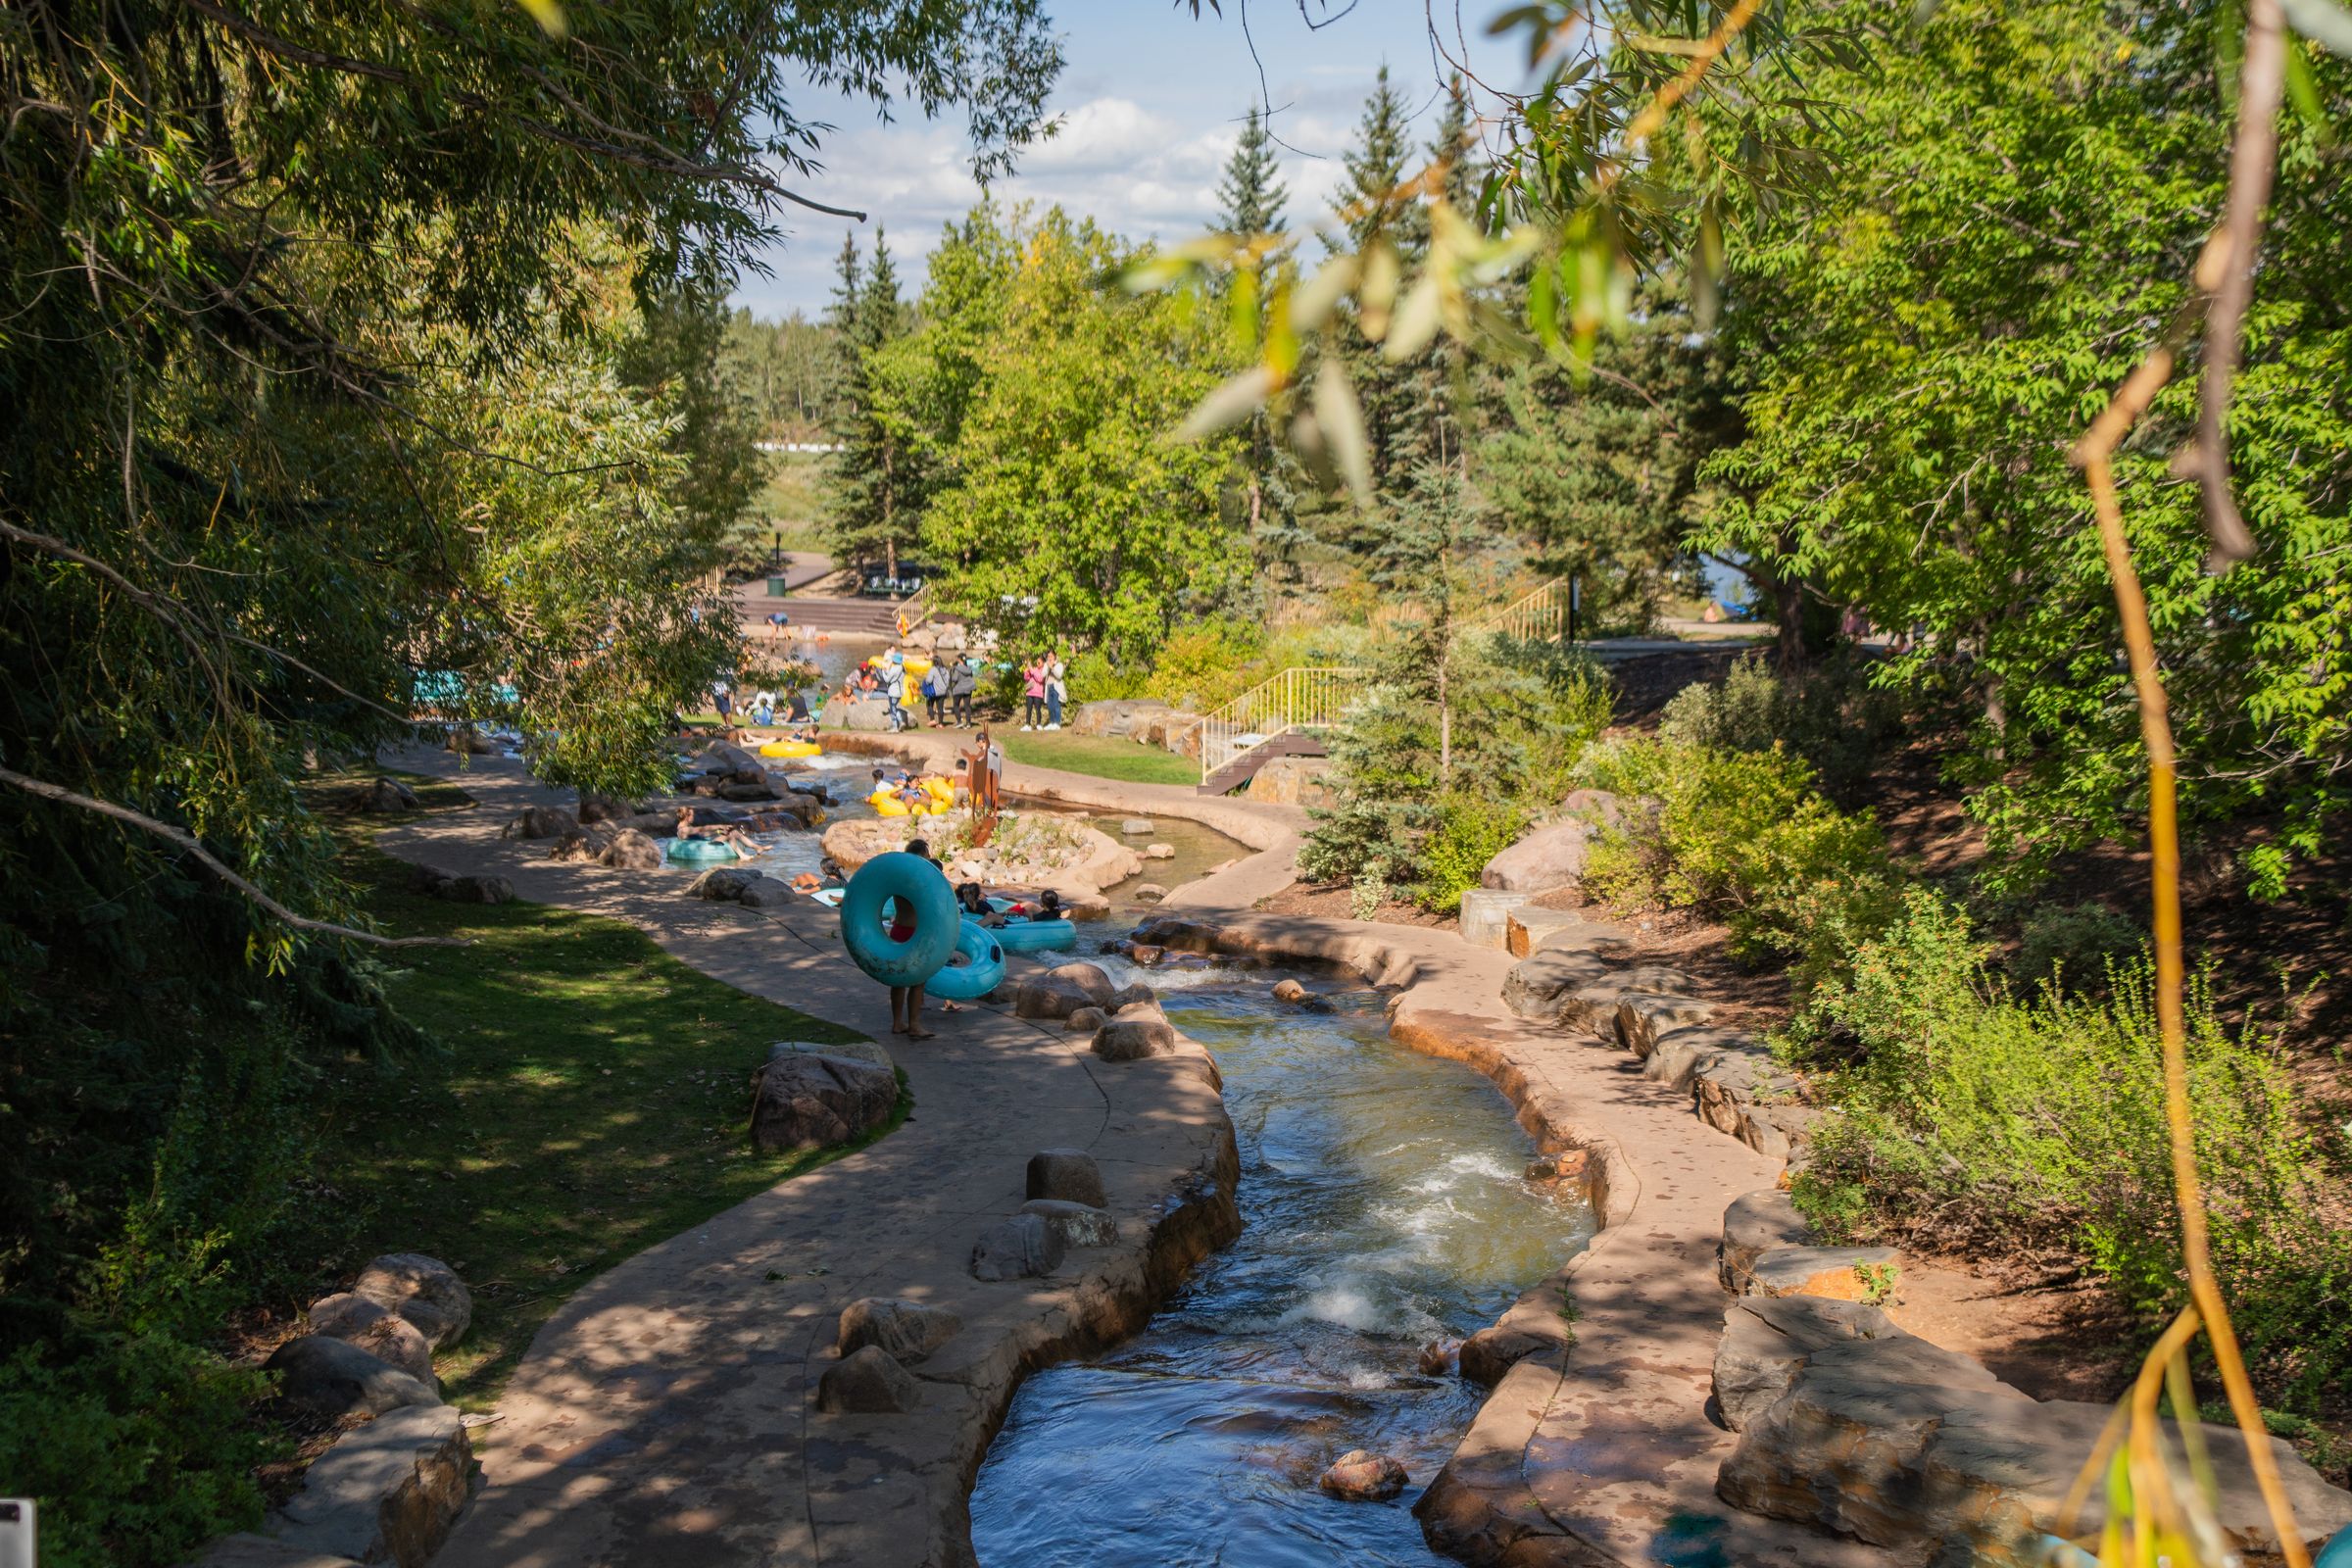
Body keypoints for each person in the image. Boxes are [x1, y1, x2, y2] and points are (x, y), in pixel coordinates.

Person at [887, 838, 946, 1038]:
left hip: (898, 930)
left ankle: (897, 1023)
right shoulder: (920, 879)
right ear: (921, 856)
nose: (929, 860)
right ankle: (914, 1025)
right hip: (914, 933)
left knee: (897, 980)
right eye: (927, 856)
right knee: (918, 981)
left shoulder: (898, 877)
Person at [947, 653, 975, 727]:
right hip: (968, 688)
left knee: (956, 705)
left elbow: (954, 679)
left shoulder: (957, 669)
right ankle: (968, 723)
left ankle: (959, 721)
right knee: (967, 706)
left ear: (959, 659)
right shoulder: (969, 669)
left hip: (959, 689)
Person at [1044, 649, 1067, 731]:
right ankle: (1051, 723)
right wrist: (1047, 666)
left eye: (1051, 656)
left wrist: (1052, 668)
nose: (1050, 658)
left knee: (1056, 705)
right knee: (1050, 706)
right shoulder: (1046, 665)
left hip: (1056, 687)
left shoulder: (1059, 665)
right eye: (1048, 656)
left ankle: (1057, 723)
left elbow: (1059, 676)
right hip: (1049, 686)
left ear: (1055, 657)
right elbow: (1043, 674)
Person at [1020, 657, 1046, 730]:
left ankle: (1038, 724)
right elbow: (1026, 679)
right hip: (1030, 692)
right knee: (1029, 709)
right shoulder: (1034, 669)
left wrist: (1031, 670)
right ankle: (1027, 724)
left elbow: (1040, 679)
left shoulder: (1043, 671)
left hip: (1038, 693)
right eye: (1036, 662)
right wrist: (1026, 672)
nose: (1037, 664)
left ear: (1043, 663)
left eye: (1039, 662)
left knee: (1037, 709)